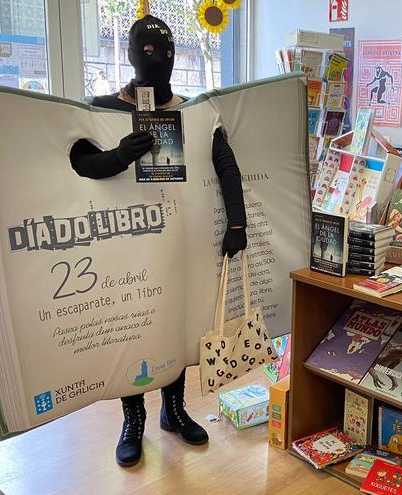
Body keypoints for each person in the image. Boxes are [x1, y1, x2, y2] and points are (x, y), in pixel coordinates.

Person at [68, 15, 248, 468]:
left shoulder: (193, 109)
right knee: (133, 327)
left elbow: (226, 164)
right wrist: (117, 156)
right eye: (147, 52)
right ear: (130, 54)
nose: (159, 61)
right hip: (123, 244)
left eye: (166, 53)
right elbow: (77, 162)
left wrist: (238, 224)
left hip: (177, 239)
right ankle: (133, 421)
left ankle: (174, 408)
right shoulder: (103, 107)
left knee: (177, 323)